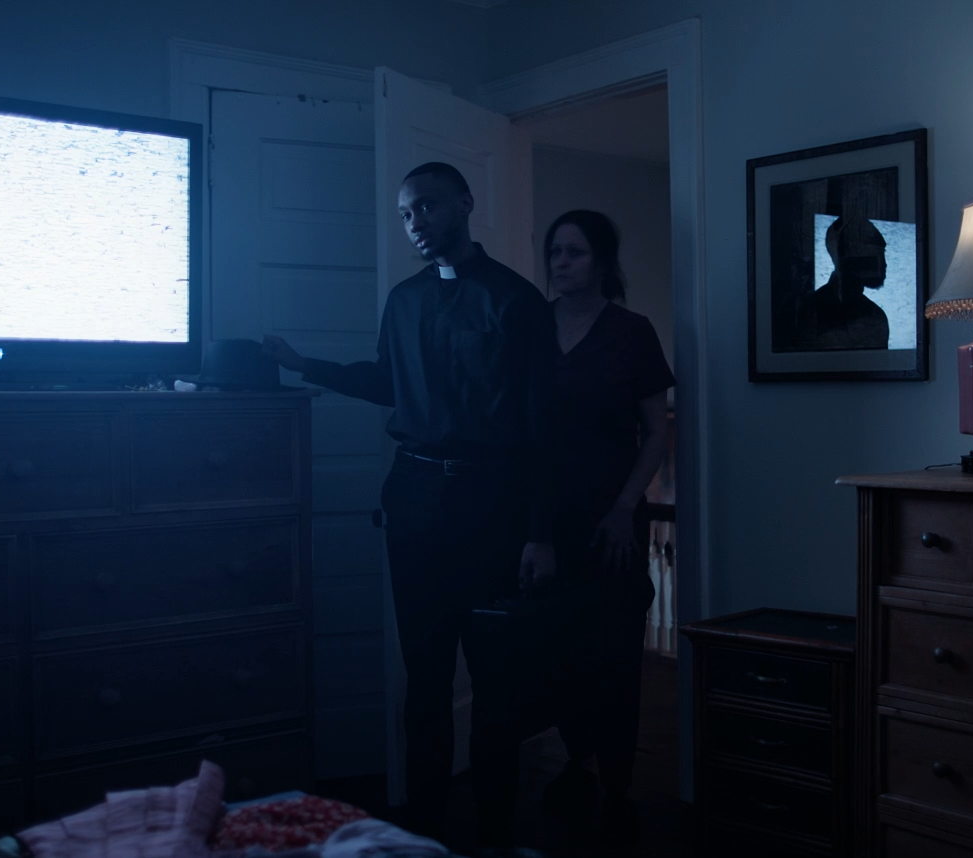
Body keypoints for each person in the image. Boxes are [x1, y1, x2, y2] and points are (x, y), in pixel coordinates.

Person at [262, 162, 555, 849]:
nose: (416, 222)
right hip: (416, 504)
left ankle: (493, 831)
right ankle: (421, 833)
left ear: (464, 204)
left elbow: (546, 428)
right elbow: (388, 382)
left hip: (494, 508)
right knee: (424, 678)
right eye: (405, 214)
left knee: (495, 684)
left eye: (426, 206)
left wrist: (541, 533)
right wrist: (306, 366)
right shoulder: (403, 301)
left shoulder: (516, 302)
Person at [532, 210, 673, 844]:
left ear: (602, 262)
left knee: (615, 653)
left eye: (575, 253)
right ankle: (577, 763)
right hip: (544, 520)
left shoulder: (630, 333)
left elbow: (655, 433)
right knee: (559, 652)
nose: (561, 263)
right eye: (555, 252)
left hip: (613, 519)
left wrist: (623, 508)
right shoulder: (531, 329)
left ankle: (617, 783)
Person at [789, 214, 890, 350]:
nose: (884, 264)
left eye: (882, 254)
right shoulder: (811, 311)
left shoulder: (876, 315)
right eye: (876, 254)